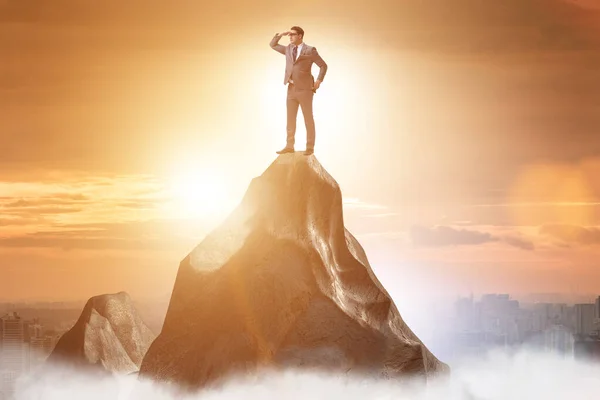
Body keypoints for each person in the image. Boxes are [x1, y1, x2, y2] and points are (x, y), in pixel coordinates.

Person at [269, 26, 328, 156]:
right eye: (289, 35)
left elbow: (323, 66)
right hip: (291, 89)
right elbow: (272, 45)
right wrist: (281, 34)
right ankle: (289, 145)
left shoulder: (310, 50)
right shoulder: (288, 49)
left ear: (300, 36)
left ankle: (310, 147)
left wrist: (318, 81)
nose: (290, 37)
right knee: (290, 119)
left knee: (308, 118)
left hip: (305, 89)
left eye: (293, 34)